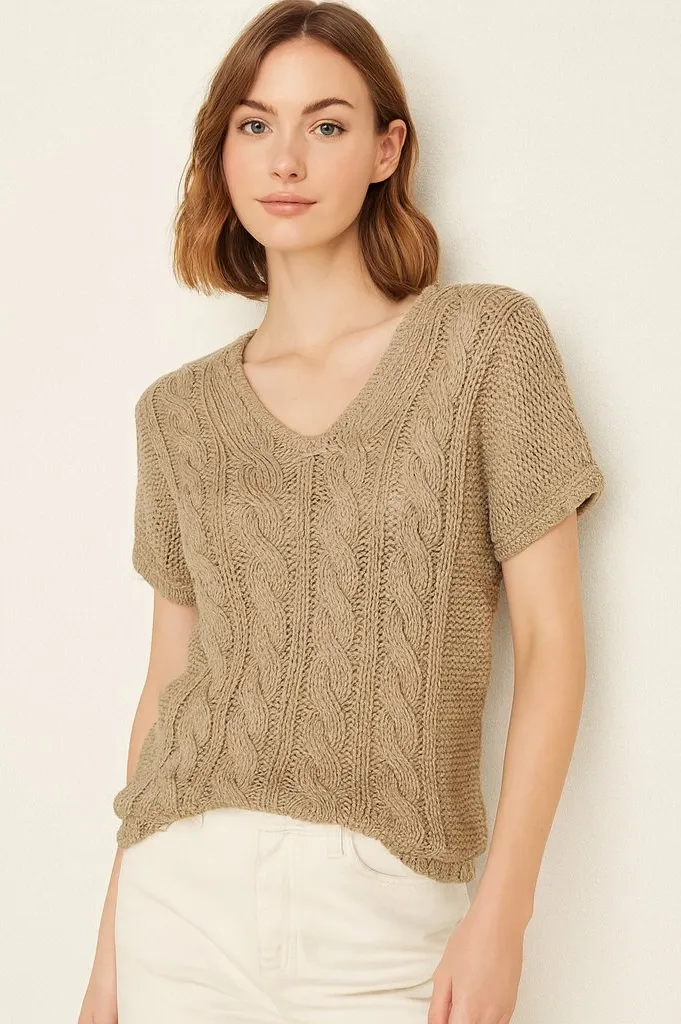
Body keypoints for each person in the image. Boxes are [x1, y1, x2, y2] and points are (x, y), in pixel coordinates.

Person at [78, 2, 606, 1022]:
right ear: (223, 152)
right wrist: (108, 968)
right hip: (176, 904)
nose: (286, 159)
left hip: (387, 911)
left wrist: (504, 915)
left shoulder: (484, 344)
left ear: (385, 149)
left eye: (326, 124)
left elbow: (551, 643)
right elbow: (167, 684)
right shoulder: (177, 413)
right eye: (255, 124)